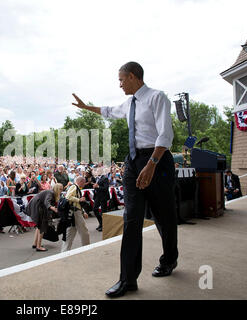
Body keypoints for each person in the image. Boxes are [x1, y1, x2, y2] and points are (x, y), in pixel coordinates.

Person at [72, 61, 178, 297]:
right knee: (131, 219)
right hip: (133, 161)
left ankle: (170, 259)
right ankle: (128, 279)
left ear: (132, 77)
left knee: (163, 216)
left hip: (157, 161)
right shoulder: (129, 103)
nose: (119, 84)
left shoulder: (157, 97)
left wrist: (152, 164)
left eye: (121, 80)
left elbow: (165, 133)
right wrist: (85, 106)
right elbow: (108, 111)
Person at [25, 183, 63, 252]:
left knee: (39, 226)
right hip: (38, 207)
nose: (61, 191)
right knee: (42, 226)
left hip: (37, 206)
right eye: (60, 189)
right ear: (57, 189)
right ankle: (39, 246)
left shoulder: (51, 192)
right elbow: (47, 202)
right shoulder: (51, 193)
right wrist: (53, 208)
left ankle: (35, 244)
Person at [61, 176, 90, 252]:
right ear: (80, 182)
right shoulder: (74, 187)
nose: (84, 185)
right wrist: (79, 200)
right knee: (84, 231)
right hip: (75, 212)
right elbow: (68, 197)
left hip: (74, 212)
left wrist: (83, 211)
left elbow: (72, 200)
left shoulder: (74, 187)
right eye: (84, 183)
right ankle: (86, 247)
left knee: (71, 232)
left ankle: (64, 251)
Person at [93, 167, 110, 231]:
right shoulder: (97, 178)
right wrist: (95, 187)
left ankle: (103, 225)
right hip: (97, 196)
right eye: (96, 171)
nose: (97, 172)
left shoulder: (105, 178)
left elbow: (106, 188)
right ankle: (101, 223)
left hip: (103, 197)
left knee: (103, 211)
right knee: (95, 209)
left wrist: (97, 186)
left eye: (98, 171)